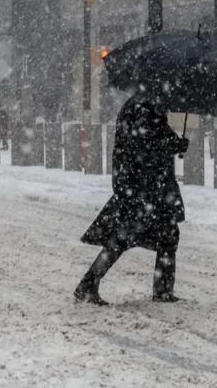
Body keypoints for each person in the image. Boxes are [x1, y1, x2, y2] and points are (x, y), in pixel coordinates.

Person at [75, 94, 187, 305]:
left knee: (166, 234)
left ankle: (162, 290)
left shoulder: (147, 105)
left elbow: (155, 137)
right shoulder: (142, 107)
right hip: (141, 186)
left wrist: (176, 143)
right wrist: (170, 144)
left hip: (147, 186)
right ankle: (88, 284)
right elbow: (145, 144)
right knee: (125, 237)